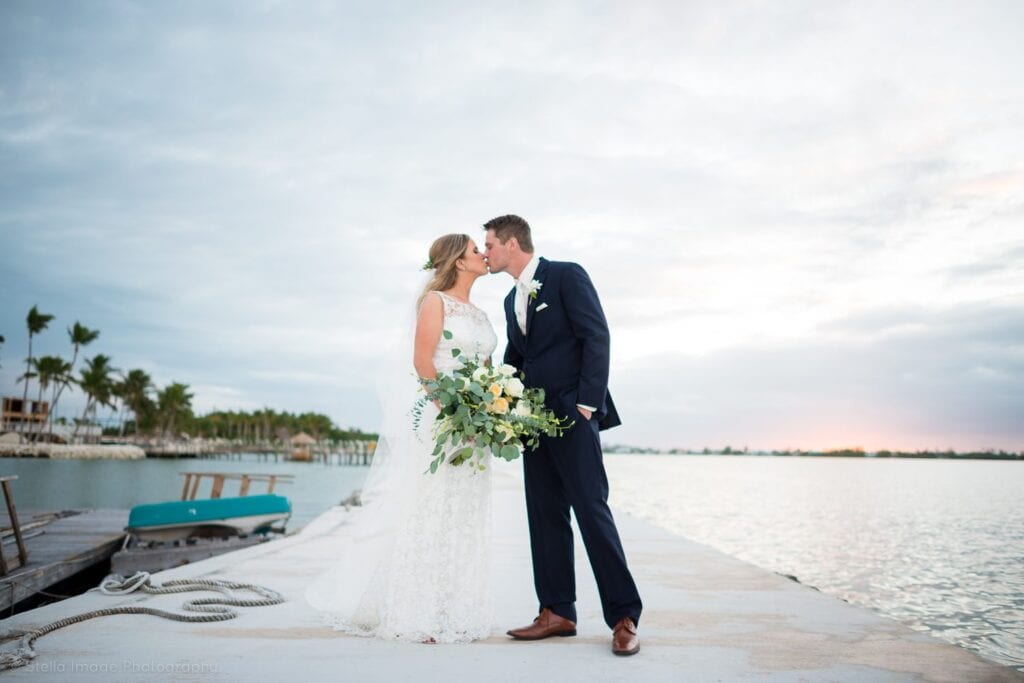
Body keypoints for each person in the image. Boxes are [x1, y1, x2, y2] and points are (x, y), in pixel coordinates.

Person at [303, 233, 497, 644]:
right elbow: (423, 362)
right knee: (427, 507)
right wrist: (452, 410)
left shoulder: (480, 313)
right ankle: (415, 611)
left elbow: (487, 373)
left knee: (463, 511)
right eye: (475, 251)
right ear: (459, 263)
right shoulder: (434, 302)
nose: (483, 254)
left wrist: (490, 412)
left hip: (477, 428)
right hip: (440, 418)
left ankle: (452, 607)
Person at [482, 214, 643, 656]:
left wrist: (587, 403)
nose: (486, 253)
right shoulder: (509, 299)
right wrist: (494, 403)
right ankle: (556, 611)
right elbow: (519, 357)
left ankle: (624, 616)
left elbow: (597, 335)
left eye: (490, 245)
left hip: (573, 415)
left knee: (592, 511)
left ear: (512, 244)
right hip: (532, 424)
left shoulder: (567, 275)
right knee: (544, 514)